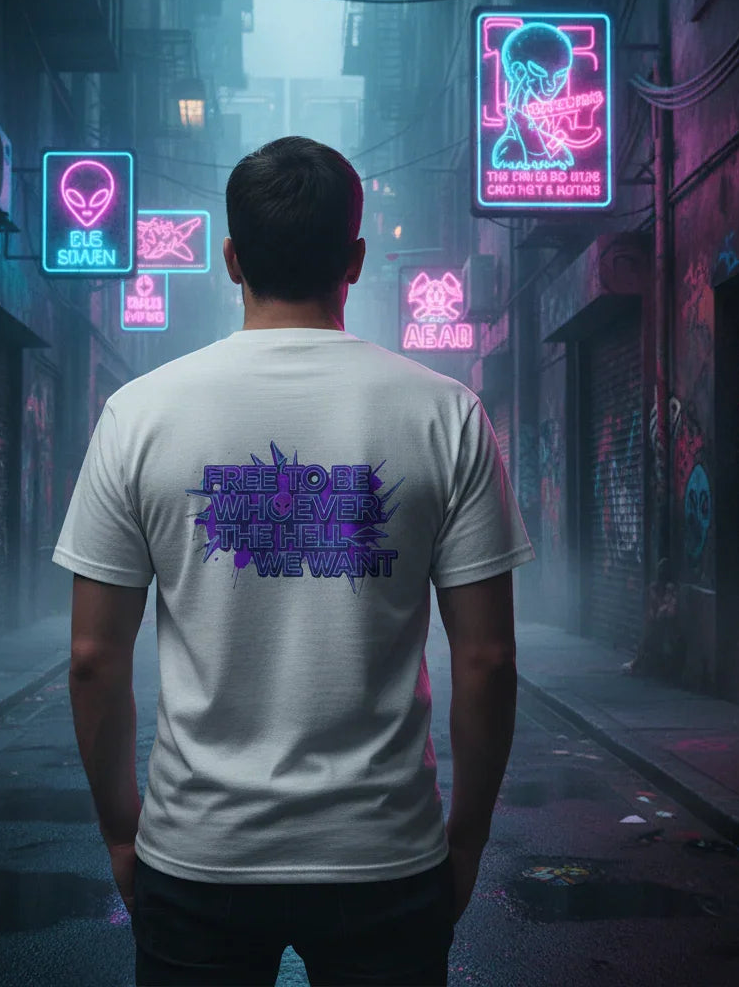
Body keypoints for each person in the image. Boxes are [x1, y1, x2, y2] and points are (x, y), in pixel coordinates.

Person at [53, 136, 534, 986]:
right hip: (385, 853)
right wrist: (465, 840)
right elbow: (489, 660)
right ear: (354, 257)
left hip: (198, 852)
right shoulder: (447, 415)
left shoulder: (137, 415)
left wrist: (125, 836)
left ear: (231, 260)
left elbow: (93, 659)